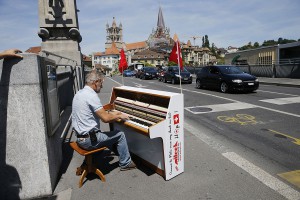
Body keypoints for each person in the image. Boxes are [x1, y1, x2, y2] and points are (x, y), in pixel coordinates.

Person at [71, 70, 136, 171]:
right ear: (95, 82)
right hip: (89, 141)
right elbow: (105, 118)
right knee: (120, 135)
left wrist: (116, 113)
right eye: (101, 83)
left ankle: (87, 164)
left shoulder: (79, 93)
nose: (101, 86)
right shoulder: (91, 95)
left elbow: (96, 112)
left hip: (80, 138)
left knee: (104, 138)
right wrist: (120, 116)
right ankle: (125, 163)